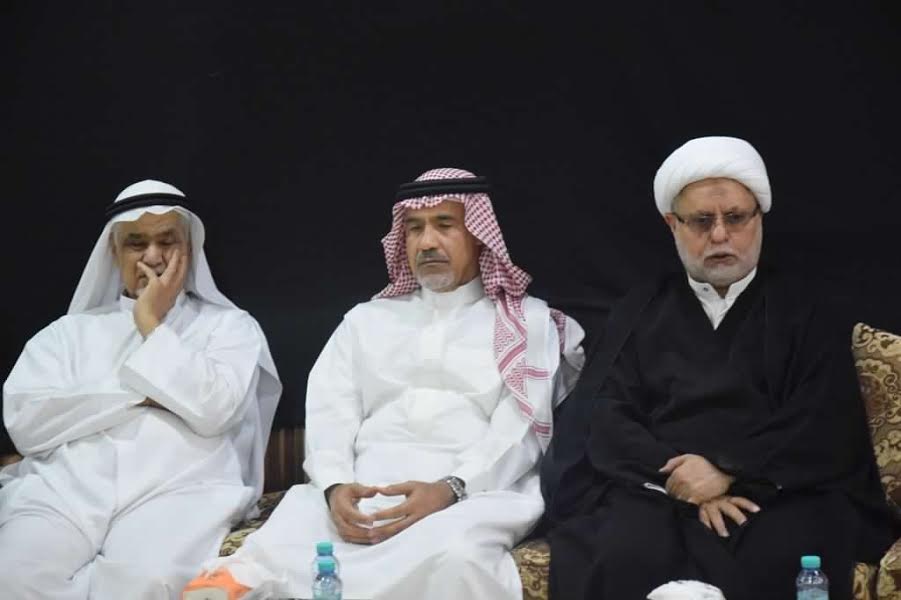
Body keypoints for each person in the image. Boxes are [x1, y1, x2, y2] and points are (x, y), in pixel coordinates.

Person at [186, 167, 584, 600]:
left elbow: (520, 432)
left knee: (456, 557)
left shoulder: (528, 323)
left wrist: (450, 488)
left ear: (479, 235)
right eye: (414, 229)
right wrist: (335, 485)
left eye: (445, 225)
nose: (426, 242)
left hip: (476, 492)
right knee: (279, 547)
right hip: (364, 483)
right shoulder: (366, 320)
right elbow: (330, 412)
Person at [547, 137, 894, 600]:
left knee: (783, 554)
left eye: (735, 218)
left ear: (758, 218)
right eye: (700, 221)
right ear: (672, 224)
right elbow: (607, 414)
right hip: (657, 491)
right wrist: (680, 479)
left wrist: (728, 471)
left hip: (777, 491)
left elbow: (821, 420)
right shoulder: (638, 311)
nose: (719, 236)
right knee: (625, 554)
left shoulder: (806, 310)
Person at [0, 180, 281, 599]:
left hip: (178, 493)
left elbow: (215, 411)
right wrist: (142, 396)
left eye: (167, 241)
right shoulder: (67, 334)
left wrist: (150, 322)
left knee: (143, 584)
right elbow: (26, 424)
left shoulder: (228, 327)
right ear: (114, 252)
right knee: (14, 575)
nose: (152, 257)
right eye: (136, 243)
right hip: (66, 491)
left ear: (189, 249)